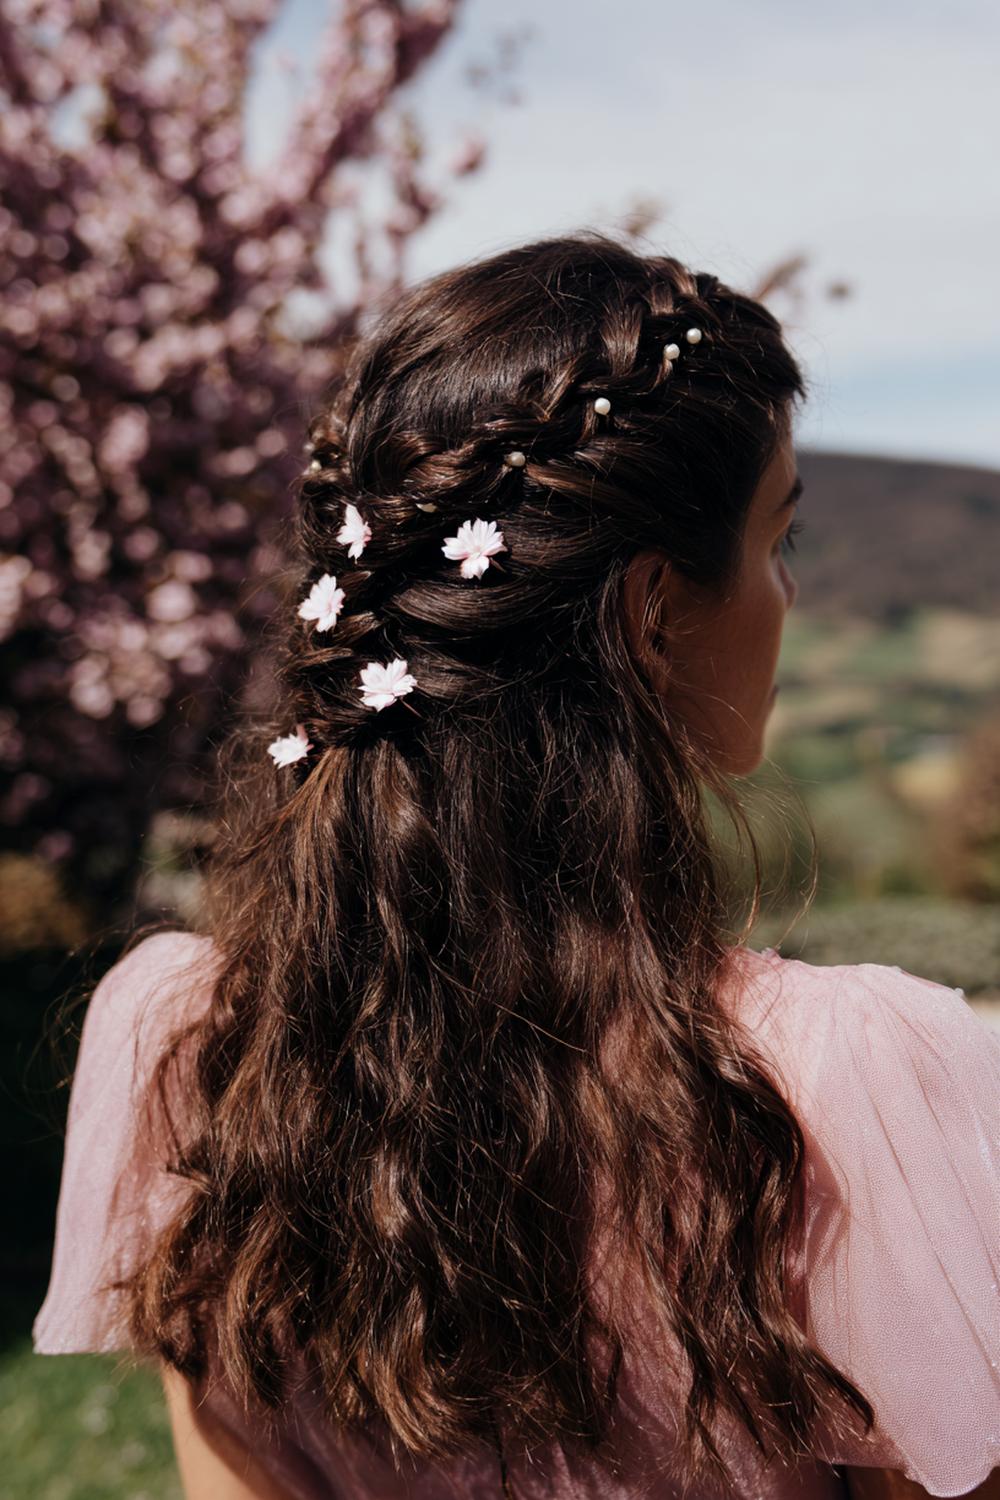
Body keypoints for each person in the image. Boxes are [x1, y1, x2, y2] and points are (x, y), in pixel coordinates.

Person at [33, 234, 999, 1500]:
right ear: (651, 612)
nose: (788, 596)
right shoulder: (846, 1083)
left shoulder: (182, 1040)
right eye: (780, 541)